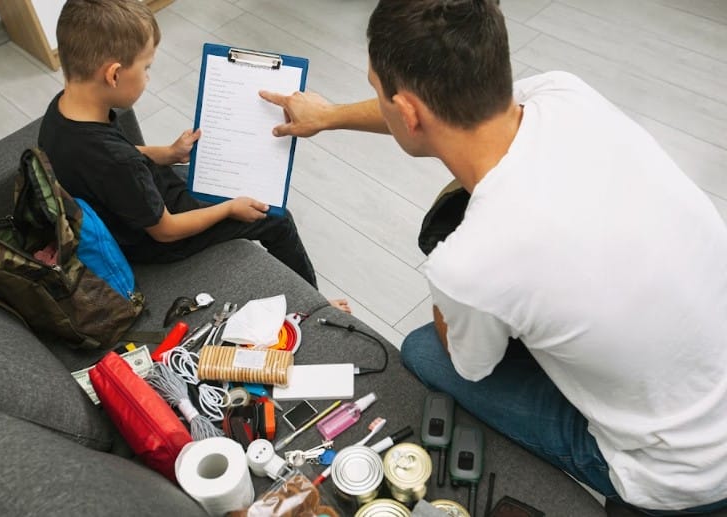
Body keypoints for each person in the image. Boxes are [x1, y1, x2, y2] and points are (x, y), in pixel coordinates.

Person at [260, 0, 727, 514]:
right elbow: (444, 107)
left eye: (377, 89)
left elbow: (471, 364)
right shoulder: (563, 92)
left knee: (424, 351)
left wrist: (458, 295)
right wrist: (327, 116)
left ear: (408, 112)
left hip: (684, 476)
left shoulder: (471, 262)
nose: (378, 98)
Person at [38, 0, 350, 313]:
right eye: (146, 68)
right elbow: (166, 230)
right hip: (152, 236)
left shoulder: (63, 111)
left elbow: (113, 157)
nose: (149, 76)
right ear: (114, 75)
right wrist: (229, 209)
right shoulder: (117, 162)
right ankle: (317, 305)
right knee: (276, 218)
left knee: (222, 177)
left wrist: (169, 153)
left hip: (131, 203)